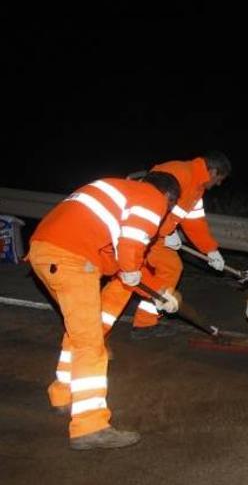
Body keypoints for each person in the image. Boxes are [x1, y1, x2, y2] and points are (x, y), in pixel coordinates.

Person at [28, 172, 181, 450]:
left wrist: (158, 291)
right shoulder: (152, 196)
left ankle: (63, 395)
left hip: (44, 252)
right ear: (167, 198)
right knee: (91, 343)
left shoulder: (116, 192)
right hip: (72, 259)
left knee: (79, 333)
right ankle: (89, 426)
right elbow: (132, 246)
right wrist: (135, 270)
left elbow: (117, 265)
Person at [100, 151, 231, 339]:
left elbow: (194, 223)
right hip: (139, 232)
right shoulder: (179, 172)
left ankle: (145, 323)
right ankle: (95, 333)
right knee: (126, 280)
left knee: (171, 267)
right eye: (219, 179)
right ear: (213, 171)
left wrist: (210, 250)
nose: (218, 184)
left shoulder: (197, 187)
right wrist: (162, 229)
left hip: (156, 237)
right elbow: (149, 199)